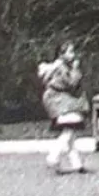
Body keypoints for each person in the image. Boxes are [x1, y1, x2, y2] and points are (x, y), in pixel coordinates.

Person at [37, 41, 91, 174]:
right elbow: (72, 83)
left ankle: (76, 163)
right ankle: (53, 156)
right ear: (61, 54)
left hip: (58, 100)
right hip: (63, 101)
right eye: (70, 52)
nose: (73, 55)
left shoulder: (59, 67)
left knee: (70, 132)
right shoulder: (62, 68)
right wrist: (76, 69)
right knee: (69, 130)